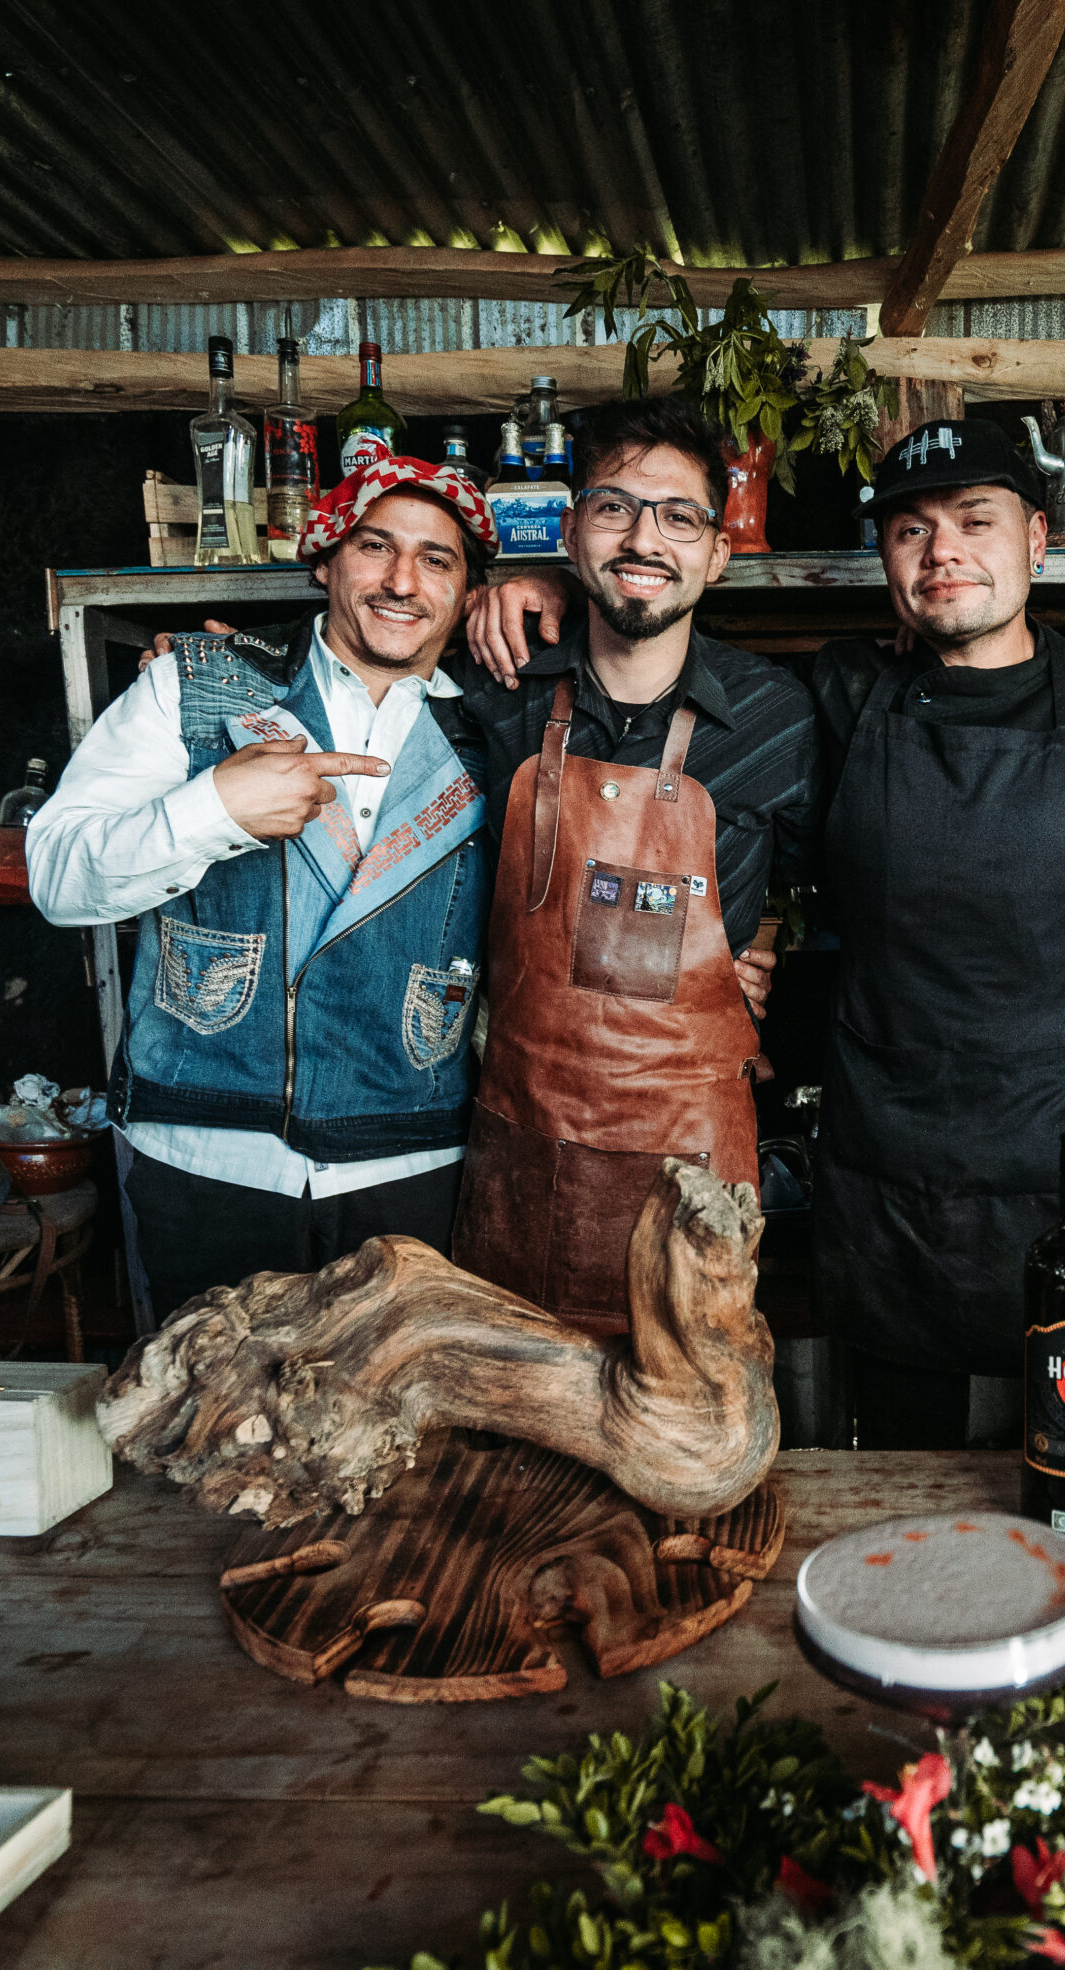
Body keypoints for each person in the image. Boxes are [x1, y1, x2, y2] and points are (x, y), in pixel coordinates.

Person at [465, 417, 1065, 1444]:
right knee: (895, 1464)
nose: (943, 550)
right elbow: (756, 837)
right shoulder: (840, 691)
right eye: (911, 530)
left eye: (974, 522)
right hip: (879, 1166)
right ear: (885, 561)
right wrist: (534, 584)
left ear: (1037, 541)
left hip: (1056, 1166)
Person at [29, 459, 497, 1320]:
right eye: (374, 546)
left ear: (469, 592)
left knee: (392, 1448)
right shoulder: (196, 684)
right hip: (203, 1158)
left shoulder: (496, 727)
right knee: (201, 1439)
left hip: (412, 1169)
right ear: (323, 560)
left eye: (438, 560)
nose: (402, 582)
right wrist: (215, 807)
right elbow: (57, 877)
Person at [450, 393, 818, 1332]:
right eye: (615, 508)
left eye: (680, 517)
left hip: (696, 1172)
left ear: (718, 554)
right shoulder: (496, 695)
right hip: (521, 1153)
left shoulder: (780, 720)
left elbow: (862, 900)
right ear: (573, 534)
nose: (644, 539)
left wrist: (767, 967)